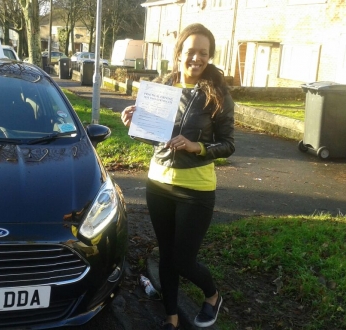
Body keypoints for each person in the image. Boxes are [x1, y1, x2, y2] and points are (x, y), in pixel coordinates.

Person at [121, 23, 235, 329]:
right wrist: (133, 124)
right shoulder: (161, 88)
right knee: (168, 255)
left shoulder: (217, 95)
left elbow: (228, 144)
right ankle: (171, 317)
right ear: (179, 53)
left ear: (210, 57)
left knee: (184, 259)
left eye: (204, 53)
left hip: (195, 190)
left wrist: (197, 147)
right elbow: (150, 137)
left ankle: (212, 295)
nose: (196, 58)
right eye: (191, 51)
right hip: (158, 184)